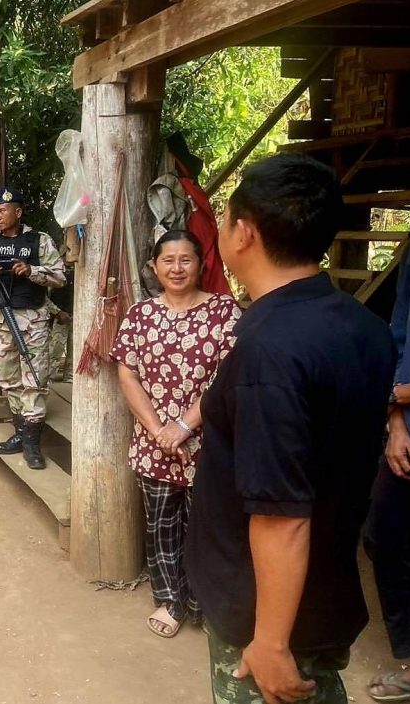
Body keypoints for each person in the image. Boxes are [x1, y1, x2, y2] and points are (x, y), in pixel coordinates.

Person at [184, 154, 395, 704]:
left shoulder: (270, 349)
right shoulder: (364, 326)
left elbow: (281, 515)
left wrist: (271, 643)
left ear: (244, 233)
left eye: (224, 218)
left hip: (266, 612)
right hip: (323, 588)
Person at [111, 230, 240, 639]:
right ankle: (170, 600)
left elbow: (228, 377)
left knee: (207, 527)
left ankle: (203, 602)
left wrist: (184, 426)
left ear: (201, 264)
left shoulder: (225, 312)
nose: (177, 268)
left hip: (209, 443)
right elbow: (127, 374)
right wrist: (160, 432)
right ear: (154, 266)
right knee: (161, 525)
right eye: (168, 260)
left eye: (186, 259)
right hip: (155, 445)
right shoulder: (140, 315)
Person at [0, 186, 66, 470]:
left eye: (3, 211)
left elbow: (60, 277)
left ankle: (32, 444)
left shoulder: (39, 241)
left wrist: (31, 271)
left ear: (18, 212)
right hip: (0, 322)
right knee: (9, 380)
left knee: (34, 378)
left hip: (33, 321)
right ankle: (20, 433)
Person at [364, 240, 410, 702]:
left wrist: (397, 395)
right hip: (408, 432)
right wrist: (395, 420)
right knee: (384, 535)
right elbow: (398, 337)